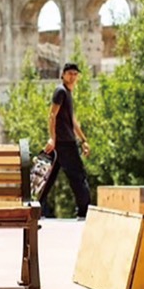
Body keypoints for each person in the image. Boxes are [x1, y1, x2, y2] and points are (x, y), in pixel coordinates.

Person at [36, 62, 92, 219]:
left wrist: (83, 140)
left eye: (75, 74)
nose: (72, 76)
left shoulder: (67, 93)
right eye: (69, 73)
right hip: (63, 143)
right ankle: (84, 212)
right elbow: (52, 115)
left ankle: (36, 209)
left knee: (47, 178)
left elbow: (72, 121)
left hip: (64, 142)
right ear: (63, 75)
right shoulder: (60, 91)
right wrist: (52, 138)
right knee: (78, 176)